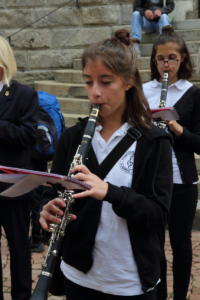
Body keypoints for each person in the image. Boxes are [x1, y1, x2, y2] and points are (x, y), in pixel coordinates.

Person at [39, 29, 173, 300]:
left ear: (127, 83)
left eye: (105, 81)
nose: (95, 92)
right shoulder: (73, 138)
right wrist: (47, 209)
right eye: (88, 82)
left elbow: (158, 215)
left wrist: (110, 192)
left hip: (128, 280)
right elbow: (52, 191)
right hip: (79, 274)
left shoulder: (153, 141)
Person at [143, 27, 200, 300]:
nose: (166, 64)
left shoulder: (193, 93)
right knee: (154, 242)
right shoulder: (144, 91)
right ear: (154, 61)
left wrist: (175, 127)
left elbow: (198, 142)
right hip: (151, 180)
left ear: (182, 60)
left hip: (182, 181)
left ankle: (179, 296)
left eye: (172, 58)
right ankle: (159, 294)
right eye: (160, 59)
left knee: (181, 243)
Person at [0, 36, 38, 299]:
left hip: (13, 184)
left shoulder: (24, 94)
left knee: (19, 245)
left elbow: (28, 135)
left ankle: (22, 295)